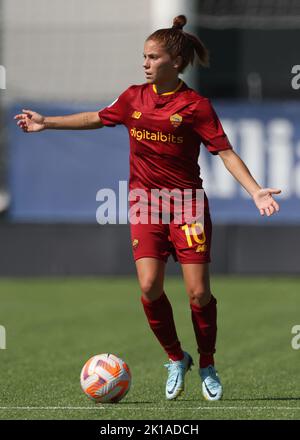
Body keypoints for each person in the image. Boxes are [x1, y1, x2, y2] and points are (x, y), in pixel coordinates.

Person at [14, 15, 281, 401]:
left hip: (187, 206)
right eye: (144, 56)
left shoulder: (195, 106)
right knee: (148, 285)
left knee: (198, 294)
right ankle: (177, 357)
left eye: (153, 57)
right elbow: (95, 117)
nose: (145, 63)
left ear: (175, 61)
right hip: (145, 204)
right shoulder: (132, 97)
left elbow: (225, 152)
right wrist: (47, 123)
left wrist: (256, 191)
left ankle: (207, 363)